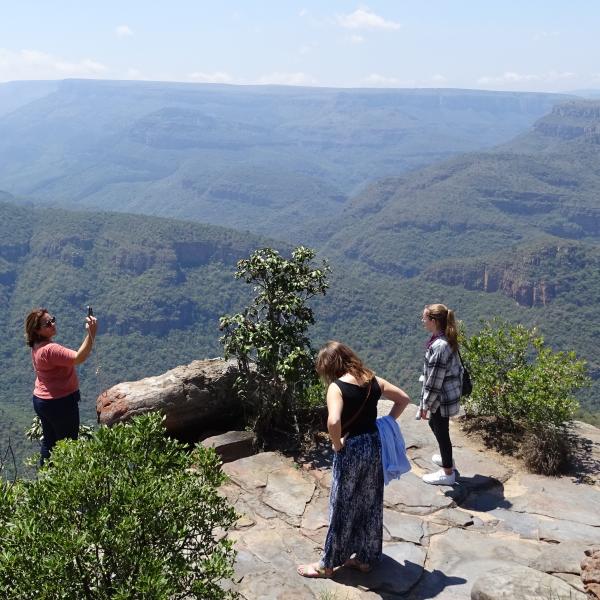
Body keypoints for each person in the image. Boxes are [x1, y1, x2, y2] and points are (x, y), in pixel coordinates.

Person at [297, 341, 410, 579]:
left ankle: (327, 565)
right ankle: (366, 558)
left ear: (329, 366)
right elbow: (403, 399)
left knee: (342, 505)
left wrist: (337, 444)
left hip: (351, 450)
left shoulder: (337, 388)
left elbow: (333, 422)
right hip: (373, 445)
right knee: (370, 501)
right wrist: (386, 422)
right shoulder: (373, 380)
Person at [25, 307, 98, 465]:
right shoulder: (50, 350)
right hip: (60, 403)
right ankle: (66, 481)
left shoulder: (36, 346)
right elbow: (79, 357)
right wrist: (91, 332)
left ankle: (45, 478)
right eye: (48, 323)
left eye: (53, 320)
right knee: (69, 445)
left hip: (41, 401)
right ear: (37, 330)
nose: (53, 324)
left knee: (49, 443)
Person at [419, 303, 462, 485]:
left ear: (434, 321)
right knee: (435, 425)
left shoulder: (439, 346)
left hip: (441, 397)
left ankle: (447, 473)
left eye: (425, 318)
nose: (423, 321)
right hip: (447, 393)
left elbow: (435, 381)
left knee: (441, 431)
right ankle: (447, 459)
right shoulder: (444, 339)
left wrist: (424, 405)